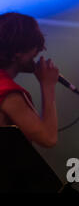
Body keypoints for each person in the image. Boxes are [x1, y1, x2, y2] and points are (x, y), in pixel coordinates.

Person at [0, 12, 59, 148]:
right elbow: (48, 138)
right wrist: (48, 85)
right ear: (17, 51)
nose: (39, 51)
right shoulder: (8, 92)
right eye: (35, 46)